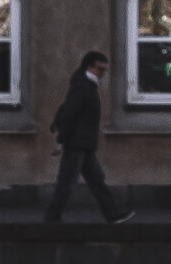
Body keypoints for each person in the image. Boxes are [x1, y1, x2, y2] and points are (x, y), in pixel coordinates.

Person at [45, 49, 130, 224]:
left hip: (84, 143)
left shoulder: (85, 85)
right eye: (100, 69)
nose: (102, 74)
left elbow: (65, 108)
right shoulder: (83, 86)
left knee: (96, 180)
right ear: (89, 68)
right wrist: (60, 140)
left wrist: (57, 126)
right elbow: (69, 112)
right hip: (77, 143)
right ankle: (52, 218)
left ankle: (113, 214)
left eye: (104, 70)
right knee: (67, 182)